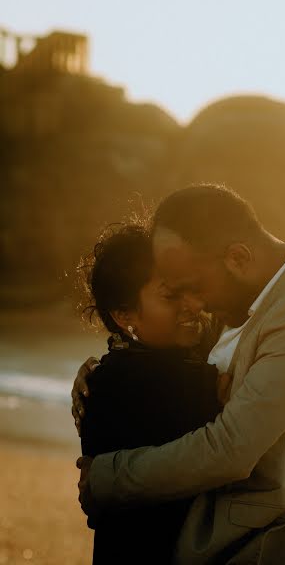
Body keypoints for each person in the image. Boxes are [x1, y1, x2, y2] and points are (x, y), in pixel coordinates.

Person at [74, 184, 285, 564]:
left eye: (193, 288)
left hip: (266, 549)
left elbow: (230, 450)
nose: (194, 305)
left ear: (238, 257)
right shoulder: (242, 301)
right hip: (215, 543)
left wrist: (103, 478)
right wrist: (104, 373)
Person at [76, 220, 223, 564]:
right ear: (124, 314)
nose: (193, 305)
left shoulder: (128, 366)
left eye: (193, 289)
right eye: (172, 295)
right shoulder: (118, 384)